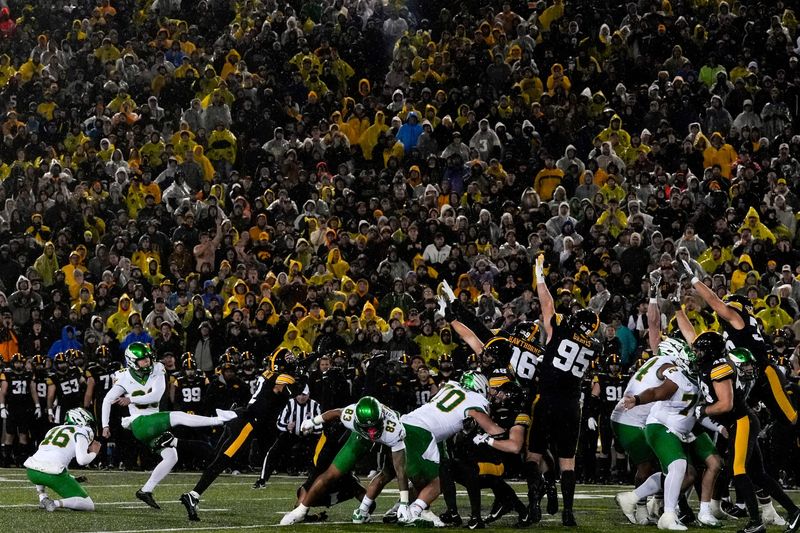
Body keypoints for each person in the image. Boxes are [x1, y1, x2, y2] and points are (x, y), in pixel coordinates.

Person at [688, 330, 800, 533]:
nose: (696, 354)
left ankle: (756, 522)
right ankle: (794, 511)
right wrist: (679, 309)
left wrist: (702, 410)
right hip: (741, 422)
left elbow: (726, 405)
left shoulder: (718, 368)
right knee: (757, 474)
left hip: (741, 421)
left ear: (709, 352)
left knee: (737, 470)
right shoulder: (712, 365)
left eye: (700, 351)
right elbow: (691, 337)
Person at [101, 342, 235, 509]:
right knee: (177, 416)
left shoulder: (158, 368)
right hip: (140, 423)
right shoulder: (123, 377)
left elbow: (156, 396)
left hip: (153, 423)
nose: (147, 362)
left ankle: (145, 490)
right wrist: (105, 425)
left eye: (148, 359)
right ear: (131, 361)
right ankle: (220, 420)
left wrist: (131, 399)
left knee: (172, 456)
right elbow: (107, 400)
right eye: (143, 360)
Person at [181, 348, 299, 521]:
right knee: (223, 459)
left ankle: (193, 492)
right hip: (248, 423)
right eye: (291, 363)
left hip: (241, 416)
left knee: (216, 456)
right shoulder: (280, 378)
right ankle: (192, 492)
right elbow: (293, 390)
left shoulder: (267, 374)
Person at [529, 254, 603, 526]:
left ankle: (533, 502)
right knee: (567, 461)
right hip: (572, 405)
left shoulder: (560, 328)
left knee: (534, 454)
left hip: (547, 400)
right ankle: (568, 512)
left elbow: (547, 304)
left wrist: (539, 276)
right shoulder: (595, 345)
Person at [279, 395, 409, 525]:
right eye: (367, 428)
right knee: (330, 474)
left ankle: (365, 510)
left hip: (387, 438)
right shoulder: (350, 414)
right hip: (359, 438)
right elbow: (335, 413)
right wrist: (313, 421)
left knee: (389, 472)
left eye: (374, 427)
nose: (371, 433)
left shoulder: (394, 430)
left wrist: (404, 501)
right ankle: (301, 511)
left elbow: (401, 471)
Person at [23, 407, 99, 512]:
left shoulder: (53, 429)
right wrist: (94, 452)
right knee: (88, 504)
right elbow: (82, 461)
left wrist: (71, 478)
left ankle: (43, 497)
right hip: (51, 474)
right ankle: (54, 503)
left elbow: (51, 456)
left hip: (31, 471)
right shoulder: (81, 431)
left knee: (42, 461)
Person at [0, 353, 38, 466]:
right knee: (9, 434)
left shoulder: (28, 374)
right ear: (13, 363)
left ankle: (21, 460)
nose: (18, 365)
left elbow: (33, 391)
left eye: (20, 362)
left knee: (23, 435)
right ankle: (6, 459)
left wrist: (37, 406)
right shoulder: (7, 374)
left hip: (24, 408)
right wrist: (2, 406)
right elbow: (3, 392)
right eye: (17, 362)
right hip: (12, 407)